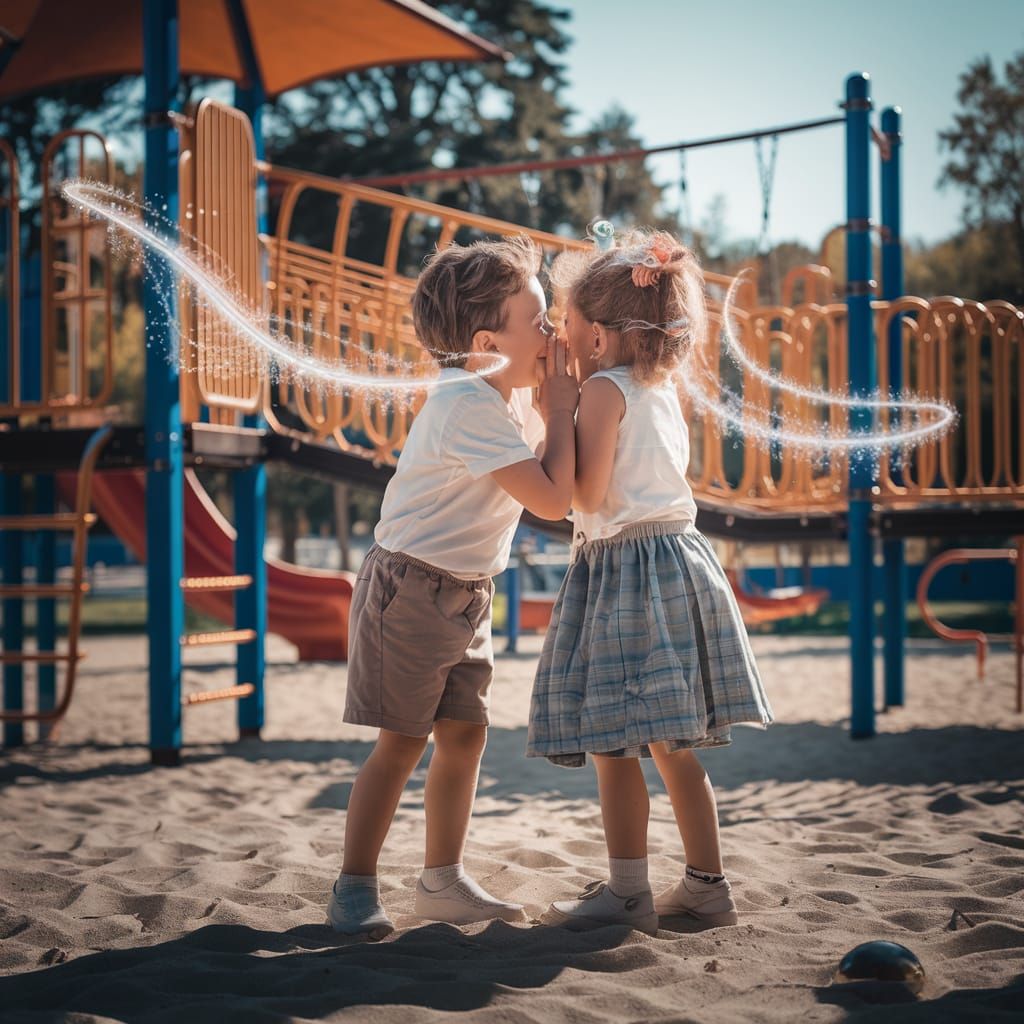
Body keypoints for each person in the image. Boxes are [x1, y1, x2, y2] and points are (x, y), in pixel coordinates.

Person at [329, 236, 578, 939]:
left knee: (465, 734)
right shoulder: (467, 403)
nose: (552, 333)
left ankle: (441, 880)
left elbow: (562, 461)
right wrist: (562, 408)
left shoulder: (507, 400)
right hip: (408, 590)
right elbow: (553, 501)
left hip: (467, 593)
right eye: (538, 321)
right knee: (402, 742)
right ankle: (354, 886)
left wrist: (571, 394)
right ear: (485, 343)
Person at [527, 228, 772, 935]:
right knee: (674, 745)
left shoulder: (601, 392)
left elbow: (589, 496)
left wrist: (558, 414)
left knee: (613, 744)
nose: (559, 335)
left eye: (567, 324)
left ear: (599, 337)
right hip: (677, 561)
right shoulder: (659, 388)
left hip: (628, 571)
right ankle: (706, 884)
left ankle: (629, 893)